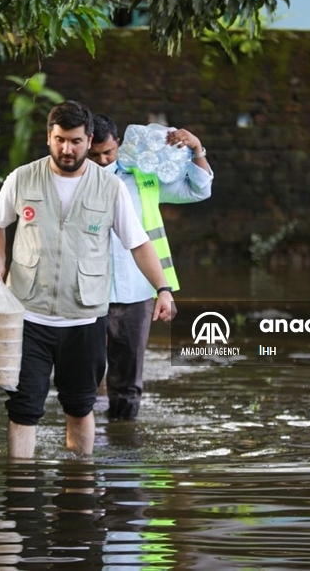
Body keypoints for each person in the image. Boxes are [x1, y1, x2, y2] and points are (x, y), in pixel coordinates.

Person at [0, 100, 176, 459]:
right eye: (59, 140)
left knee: (80, 406)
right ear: (48, 137)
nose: (66, 149)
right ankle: (22, 492)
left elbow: (138, 243)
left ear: (88, 140)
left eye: (74, 141)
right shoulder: (22, 178)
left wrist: (162, 288)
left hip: (84, 319)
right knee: (24, 407)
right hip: (29, 316)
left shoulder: (110, 188)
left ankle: (79, 486)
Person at [89, 113, 213, 420]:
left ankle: (123, 446)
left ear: (119, 144)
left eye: (109, 152)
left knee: (128, 381)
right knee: (83, 375)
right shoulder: (73, 181)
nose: (103, 161)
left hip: (136, 289)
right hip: (87, 291)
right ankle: (85, 446)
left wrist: (198, 150)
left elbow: (199, 190)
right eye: (95, 155)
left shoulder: (144, 176)